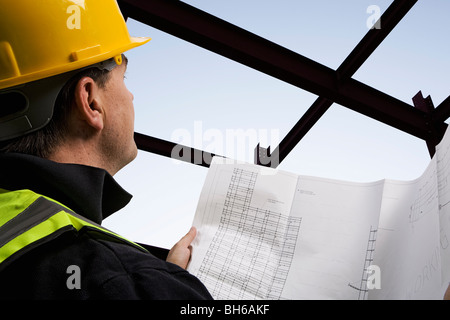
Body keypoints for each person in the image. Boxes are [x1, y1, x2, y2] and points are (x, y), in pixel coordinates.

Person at [0, 0, 212, 299]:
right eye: (123, 78)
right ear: (90, 101)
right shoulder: (116, 275)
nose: (131, 94)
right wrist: (160, 285)